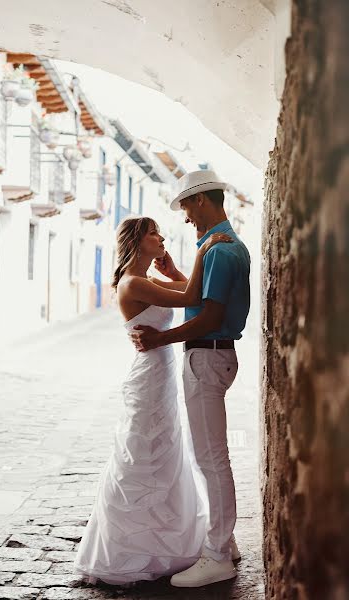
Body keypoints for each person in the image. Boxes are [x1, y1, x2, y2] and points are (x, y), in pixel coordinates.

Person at [73, 215, 232, 586]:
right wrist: (204, 249)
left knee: (166, 454)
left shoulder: (146, 280)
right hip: (147, 379)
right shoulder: (133, 284)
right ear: (137, 241)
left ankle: (163, 545)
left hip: (160, 374)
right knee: (143, 456)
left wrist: (175, 267)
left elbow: (183, 292)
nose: (161, 237)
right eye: (153, 233)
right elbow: (193, 296)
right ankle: (131, 551)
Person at [131, 170, 251, 587]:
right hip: (215, 357)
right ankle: (226, 540)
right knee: (212, 458)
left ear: (201, 201)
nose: (184, 218)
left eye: (185, 206)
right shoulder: (223, 246)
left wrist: (159, 339)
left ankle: (217, 555)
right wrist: (176, 271)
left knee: (212, 460)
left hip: (208, 358)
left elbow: (209, 317)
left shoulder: (219, 250)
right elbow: (201, 297)